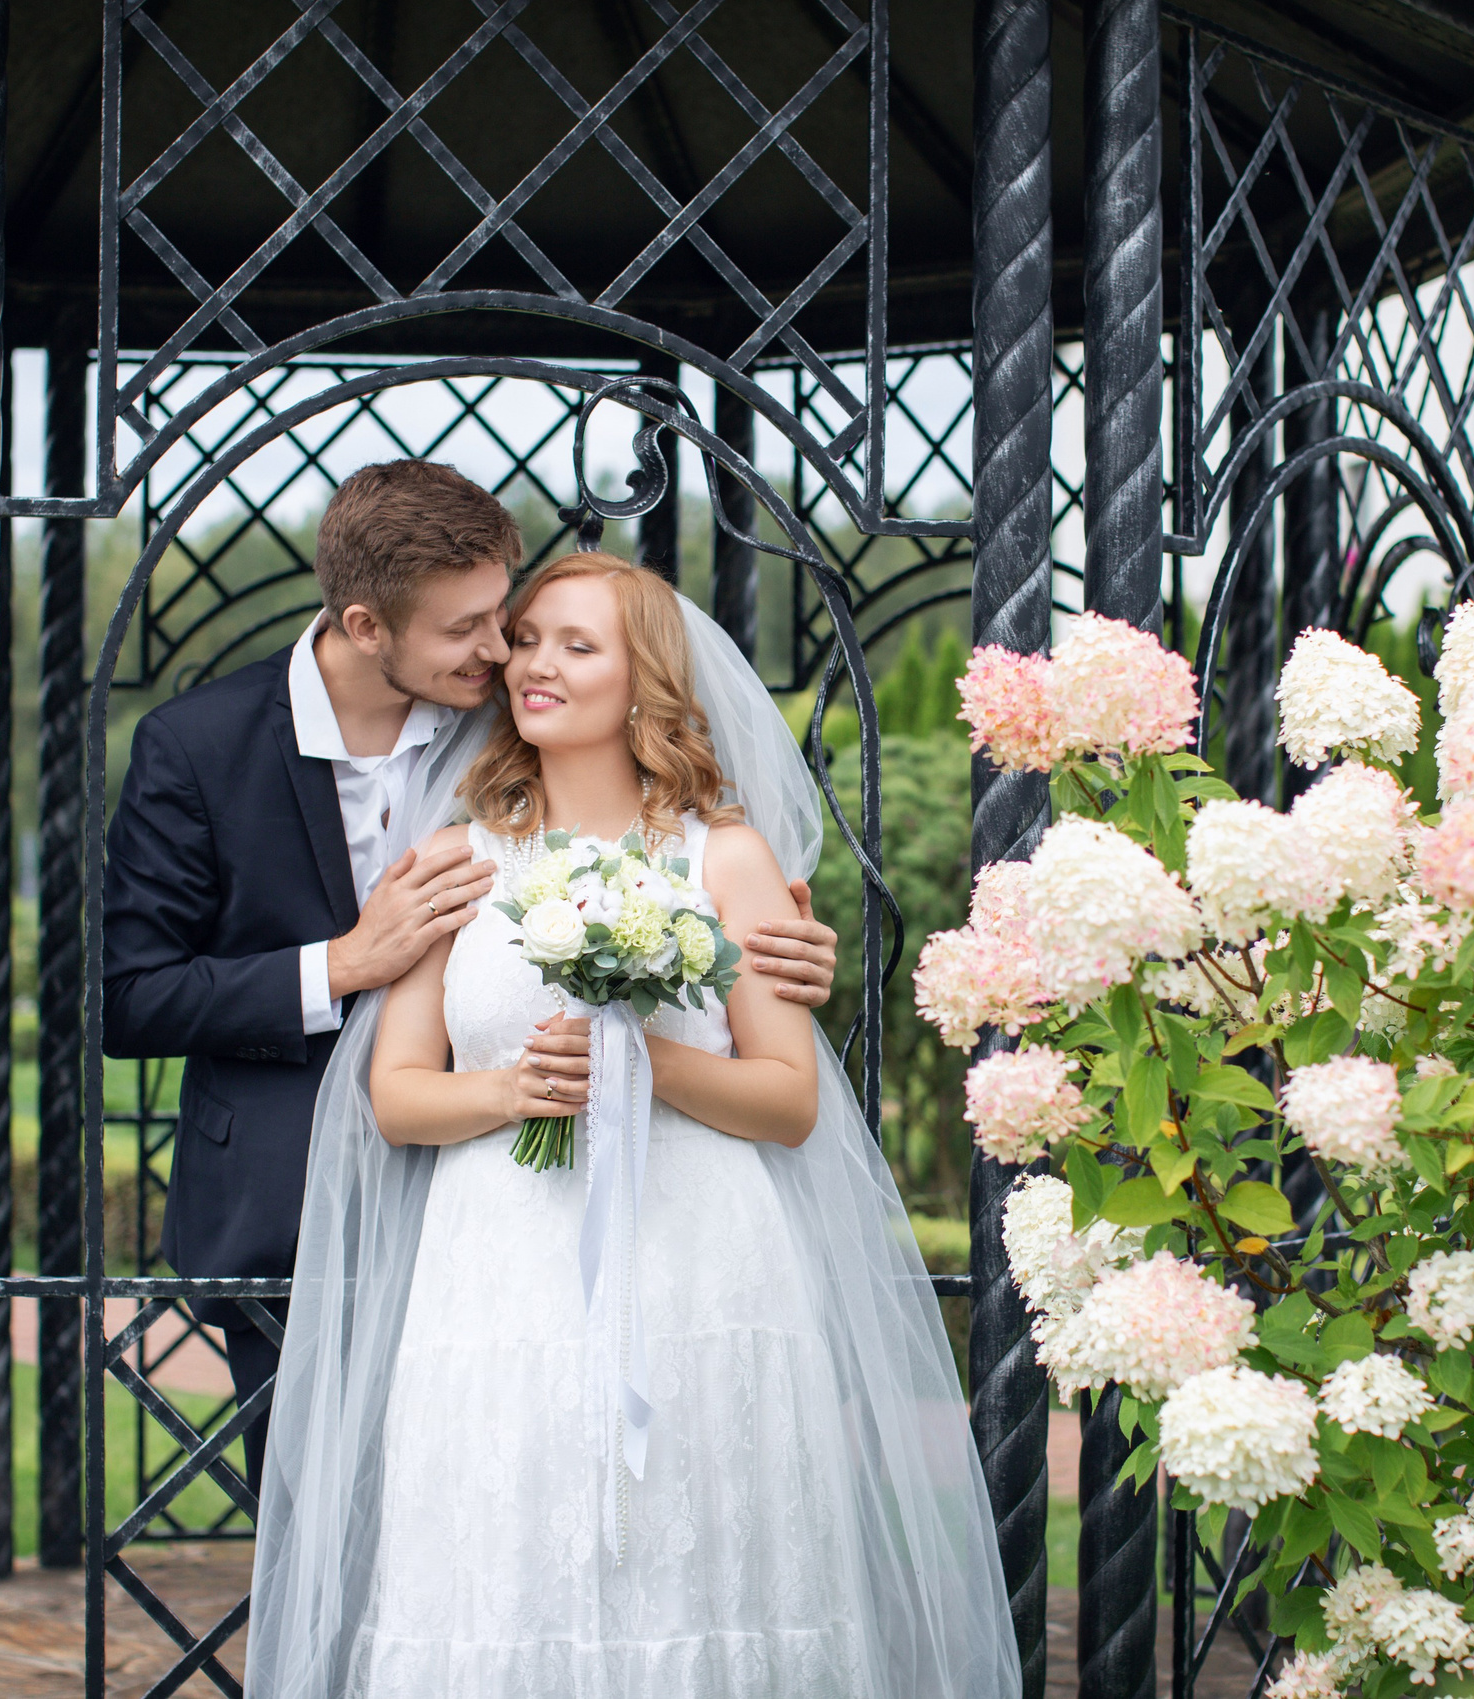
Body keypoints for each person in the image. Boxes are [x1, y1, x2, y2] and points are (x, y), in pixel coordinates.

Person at [244, 551, 1018, 1699]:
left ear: (643, 679)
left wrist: (643, 1061)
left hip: (697, 1262)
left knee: (694, 1556)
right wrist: (515, 1093)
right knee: (508, 1552)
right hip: (495, 1268)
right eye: (527, 639)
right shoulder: (456, 861)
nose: (535, 664)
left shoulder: (726, 859)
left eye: (577, 645)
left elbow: (788, 1100)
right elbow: (396, 1096)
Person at [99, 462, 840, 1490]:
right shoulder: (198, 747)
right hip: (292, 1196)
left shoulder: (512, 704)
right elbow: (132, 997)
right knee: (327, 1513)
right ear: (367, 627)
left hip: (540, 1215)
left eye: (506, 619)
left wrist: (759, 937)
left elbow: (657, 818)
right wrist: (349, 963)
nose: (500, 651)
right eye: (471, 629)